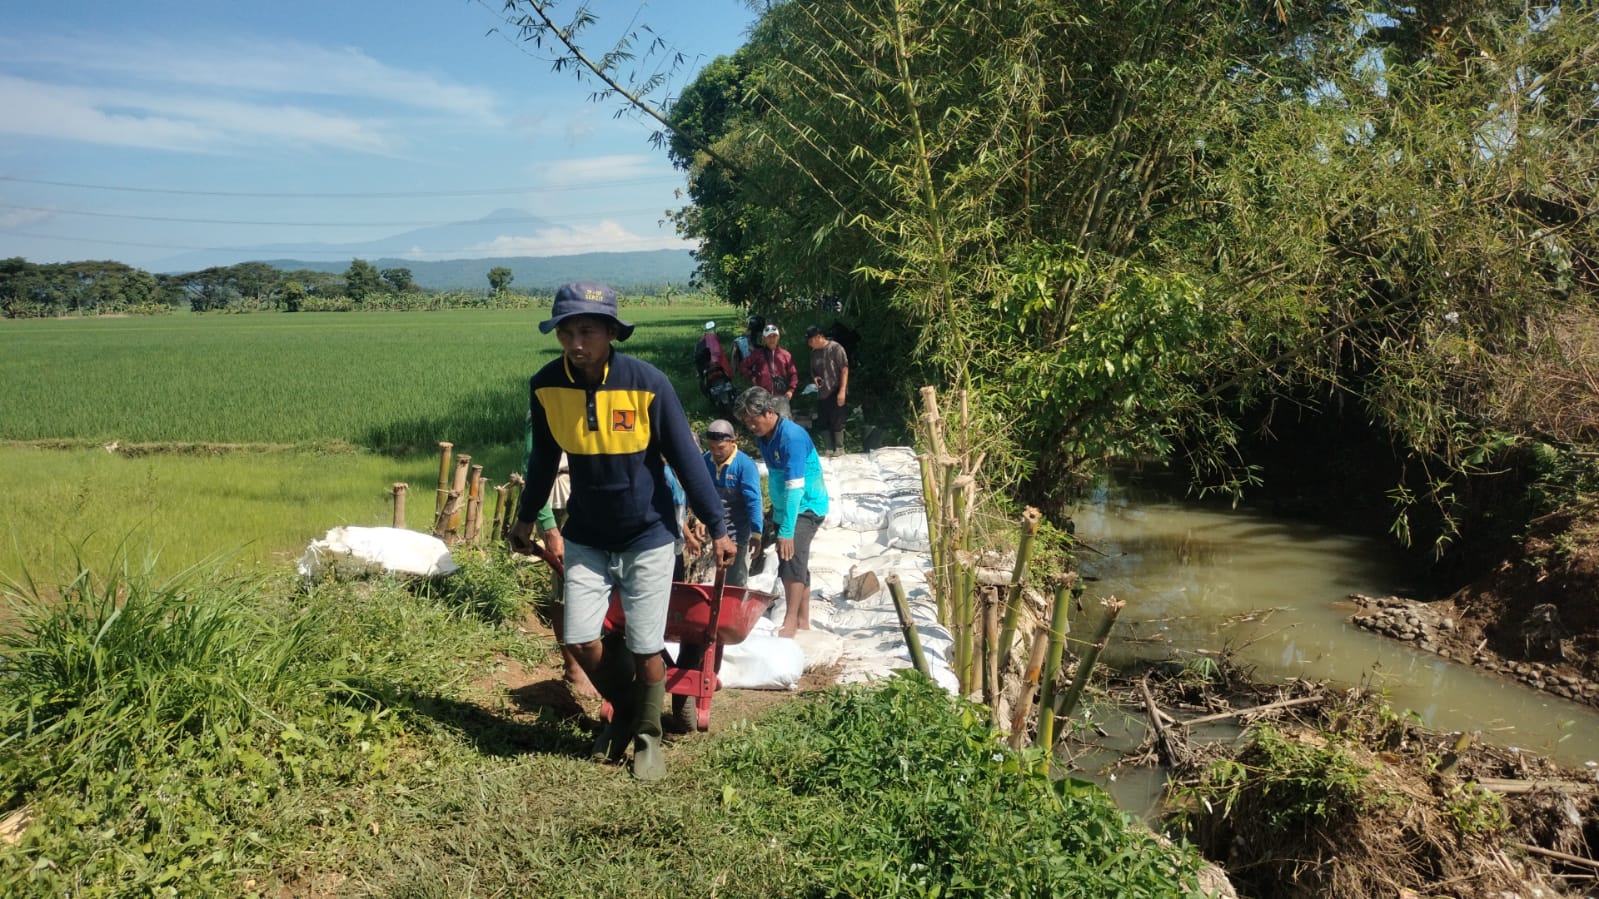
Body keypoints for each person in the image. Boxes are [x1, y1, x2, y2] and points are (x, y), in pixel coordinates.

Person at [509, 281, 736, 781]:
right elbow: (544, 460)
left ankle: (647, 739)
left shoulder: (648, 383)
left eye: (586, 330)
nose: (575, 341)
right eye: (565, 331)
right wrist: (527, 518)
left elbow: (684, 459)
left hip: (648, 533)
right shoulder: (547, 385)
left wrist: (717, 525)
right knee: (582, 637)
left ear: (612, 332)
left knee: (644, 643)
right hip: (587, 532)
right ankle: (632, 714)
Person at [734, 386, 828, 638]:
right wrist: (776, 513)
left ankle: (790, 621)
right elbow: (777, 479)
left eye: (753, 421)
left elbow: (796, 487)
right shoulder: (764, 437)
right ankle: (803, 620)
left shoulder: (792, 438)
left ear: (769, 412)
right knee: (796, 561)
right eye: (746, 423)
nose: (751, 427)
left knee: (790, 560)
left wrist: (786, 530)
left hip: (806, 505)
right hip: (785, 507)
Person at [520, 422, 596, 699]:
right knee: (565, 585)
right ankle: (574, 667)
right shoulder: (547, 404)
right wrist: (549, 528)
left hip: (590, 496)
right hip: (557, 502)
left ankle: (595, 663)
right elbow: (533, 467)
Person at [698, 419, 764, 587]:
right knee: (717, 573)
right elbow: (700, 494)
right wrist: (700, 520)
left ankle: (735, 608)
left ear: (733, 442)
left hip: (738, 531)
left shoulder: (745, 466)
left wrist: (756, 533)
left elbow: (753, 501)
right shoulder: (706, 461)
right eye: (712, 448)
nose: (716, 452)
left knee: (734, 579)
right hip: (716, 529)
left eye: (720, 448)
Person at [805, 324, 850, 457]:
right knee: (823, 420)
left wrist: (842, 391)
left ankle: (839, 447)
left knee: (837, 419)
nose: (809, 343)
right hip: (822, 391)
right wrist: (815, 378)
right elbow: (813, 371)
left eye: (811, 340)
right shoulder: (813, 353)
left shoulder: (835, 348)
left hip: (836, 389)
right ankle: (828, 448)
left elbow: (844, 369)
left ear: (819, 337)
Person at [739, 323, 798, 419]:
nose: (771, 339)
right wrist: (752, 376)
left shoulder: (785, 355)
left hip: (781, 396)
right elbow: (743, 366)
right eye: (768, 337)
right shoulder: (757, 354)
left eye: (774, 336)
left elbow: (793, 374)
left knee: (784, 420)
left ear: (778, 337)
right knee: (764, 421)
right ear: (764, 339)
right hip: (762, 396)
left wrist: (791, 390)